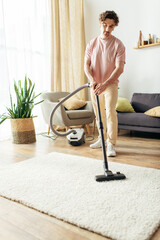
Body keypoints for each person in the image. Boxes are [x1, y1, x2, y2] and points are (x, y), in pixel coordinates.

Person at [84, 10, 125, 157]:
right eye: (105, 25)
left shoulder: (118, 45)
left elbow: (119, 68)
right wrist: (92, 80)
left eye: (111, 27)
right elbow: (86, 65)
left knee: (110, 113)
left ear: (114, 27)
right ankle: (102, 139)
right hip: (95, 85)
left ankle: (111, 144)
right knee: (99, 114)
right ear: (100, 23)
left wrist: (106, 83)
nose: (107, 29)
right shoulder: (92, 44)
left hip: (110, 85)